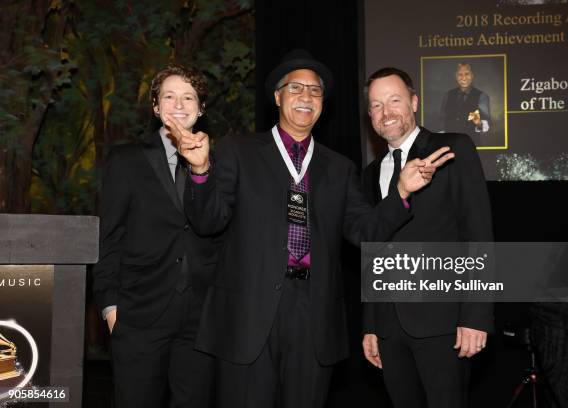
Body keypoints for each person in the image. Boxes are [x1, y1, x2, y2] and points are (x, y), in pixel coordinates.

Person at [168, 49, 454, 408]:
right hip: (247, 316)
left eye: (315, 91)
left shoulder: (338, 168)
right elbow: (208, 222)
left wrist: (401, 191)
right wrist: (199, 171)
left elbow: (368, 232)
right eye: (296, 88)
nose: (306, 97)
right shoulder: (238, 151)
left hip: (313, 317)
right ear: (277, 96)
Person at [362, 67, 494, 408]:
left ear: (414, 102)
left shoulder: (452, 149)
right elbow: (373, 250)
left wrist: (475, 316)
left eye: (394, 100)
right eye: (376, 105)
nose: (386, 112)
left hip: (444, 324)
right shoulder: (371, 173)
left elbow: (478, 234)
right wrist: (371, 324)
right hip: (389, 328)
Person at [92, 64, 218, 408]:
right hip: (139, 313)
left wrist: (202, 169)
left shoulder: (220, 164)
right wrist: (110, 306)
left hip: (200, 318)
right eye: (169, 96)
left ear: (201, 108)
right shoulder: (127, 160)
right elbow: (109, 237)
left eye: (188, 96)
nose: (179, 104)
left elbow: (219, 231)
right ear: (156, 107)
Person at [440, 63, 491, 146]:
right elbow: (442, 119)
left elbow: (485, 126)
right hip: (450, 144)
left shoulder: (482, 96)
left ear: (472, 75)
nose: (463, 78)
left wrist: (478, 123)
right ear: (456, 76)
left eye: (467, 74)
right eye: (460, 74)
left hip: (472, 144)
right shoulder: (448, 95)